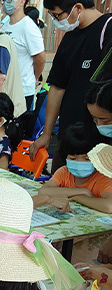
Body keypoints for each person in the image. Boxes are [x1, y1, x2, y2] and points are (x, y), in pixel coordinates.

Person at [29, 0, 112, 172]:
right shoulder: (70, 37)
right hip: (68, 135)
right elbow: (57, 87)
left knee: (96, 191)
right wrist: (46, 133)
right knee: (59, 184)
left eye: (57, 15)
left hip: (100, 139)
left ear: (78, 8)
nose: (56, 21)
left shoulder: (107, 28)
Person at [36, 123, 112, 213]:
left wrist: (78, 198)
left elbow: (109, 206)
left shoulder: (103, 178)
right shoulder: (64, 172)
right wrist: (84, 191)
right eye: (72, 158)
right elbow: (44, 191)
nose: (80, 162)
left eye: (87, 159)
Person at [1, 0, 46, 111]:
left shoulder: (28, 27)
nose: (7, 3)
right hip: (5, 89)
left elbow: (40, 58)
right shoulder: (5, 26)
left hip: (22, 91)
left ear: (22, 2)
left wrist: (33, 77)